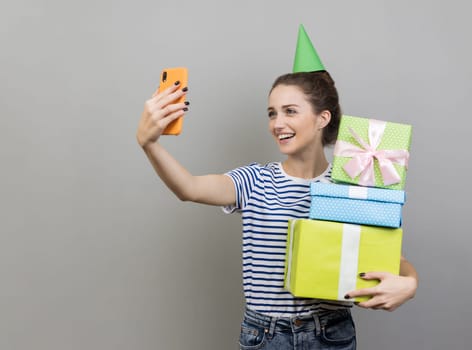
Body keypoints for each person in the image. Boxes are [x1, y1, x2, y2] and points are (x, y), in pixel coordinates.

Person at [136, 26, 418, 350]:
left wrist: (408, 284)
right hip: (266, 336)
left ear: (322, 118)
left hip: (330, 334)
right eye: (272, 113)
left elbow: (390, 256)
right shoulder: (254, 181)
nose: (277, 123)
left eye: (290, 111)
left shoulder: (350, 185)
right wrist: (149, 144)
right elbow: (189, 188)